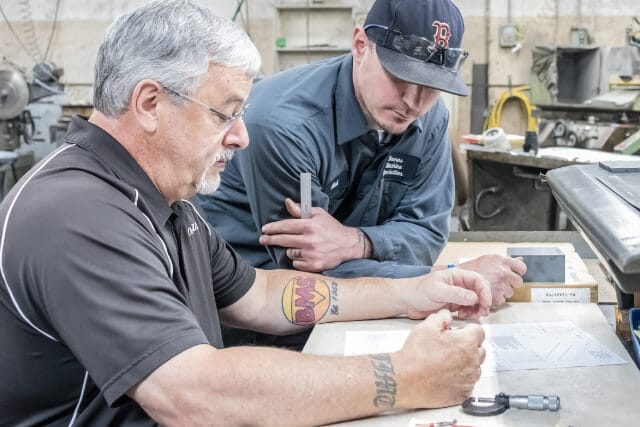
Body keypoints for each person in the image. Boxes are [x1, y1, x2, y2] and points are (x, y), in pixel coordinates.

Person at [0, 1, 494, 425]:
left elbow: (261, 295)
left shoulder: (170, 207)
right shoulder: (80, 215)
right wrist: (404, 376)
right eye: (225, 113)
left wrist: (411, 292)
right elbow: (190, 395)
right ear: (150, 103)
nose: (241, 136)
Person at [198, 0, 526, 306]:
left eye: (430, 86)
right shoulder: (285, 126)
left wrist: (357, 242)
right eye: (400, 77)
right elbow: (307, 277)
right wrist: (444, 281)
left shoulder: (430, 117)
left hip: (355, 300)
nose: (413, 101)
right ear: (360, 46)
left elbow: (428, 232)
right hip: (250, 307)